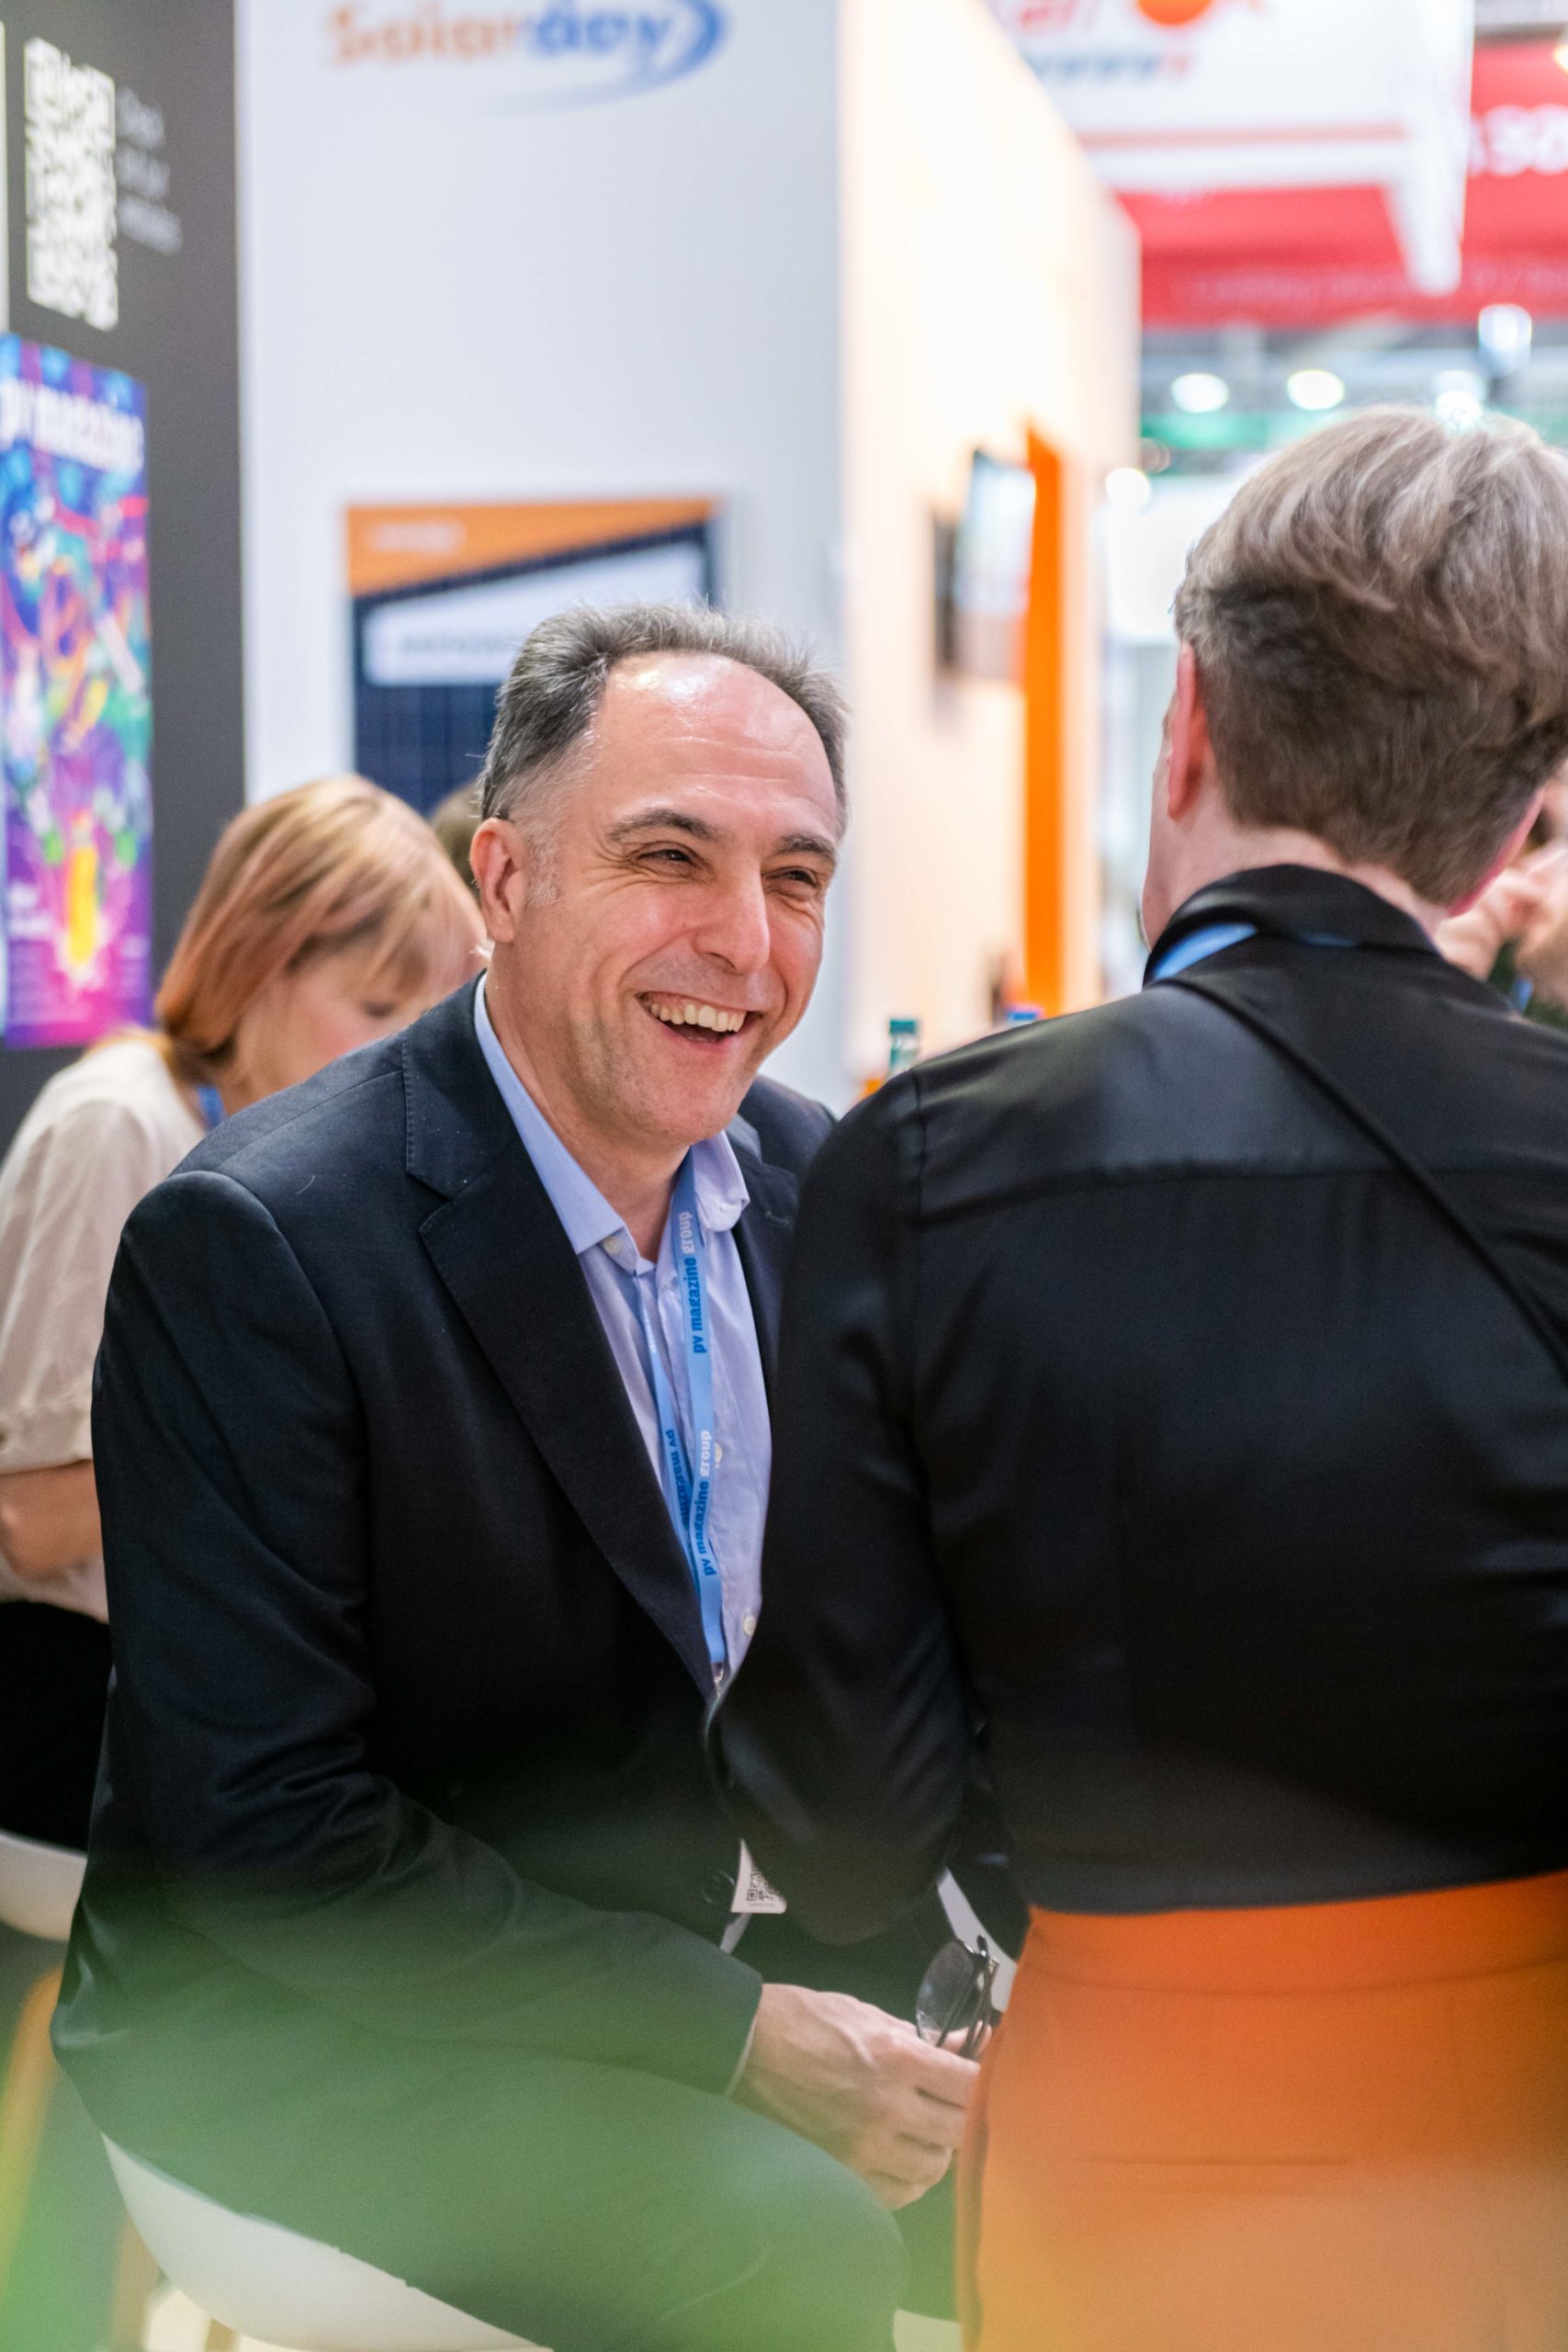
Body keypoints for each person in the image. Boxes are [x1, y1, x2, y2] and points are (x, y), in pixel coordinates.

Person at [714, 411, 1568, 2352]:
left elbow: (842, 1821)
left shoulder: (927, 1161)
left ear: (1180, 726)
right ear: (1514, 820)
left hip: (1142, 2118)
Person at [54, 605, 985, 2352]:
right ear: (503, 879)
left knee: (1099, 2166)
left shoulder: (821, 1189)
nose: (743, 939)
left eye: (794, 877)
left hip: (698, 1951)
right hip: (311, 2023)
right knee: (790, 2249)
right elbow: (268, 1836)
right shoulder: (258, 1243)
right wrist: (736, 2037)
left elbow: (905, 1647)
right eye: (668, 856)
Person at [0, 774, 483, 1852]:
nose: (401, 1055)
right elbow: (31, 1522)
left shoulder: (309, 1158)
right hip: (75, 1688)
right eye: (375, 1011)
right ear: (259, 966)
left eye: (423, 1020)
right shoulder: (118, 1125)